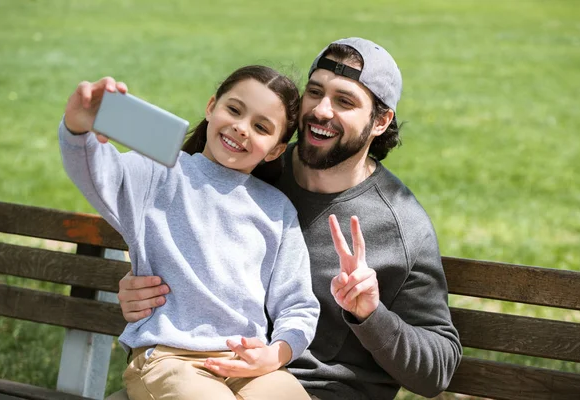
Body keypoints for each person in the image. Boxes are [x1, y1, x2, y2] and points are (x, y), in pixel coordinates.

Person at [113, 37, 463, 400]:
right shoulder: (254, 161)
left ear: (380, 121)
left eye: (344, 101)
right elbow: (168, 197)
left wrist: (371, 315)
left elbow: (436, 371)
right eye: (315, 91)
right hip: (204, 373)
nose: (322, 110)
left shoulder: (402, 226)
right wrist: (140, 284)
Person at [58, 66, 320, 400]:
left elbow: (298, 304)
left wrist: (277, 352)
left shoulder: (277, 210)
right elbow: (99, 174)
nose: (241, 128)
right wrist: (78, 127)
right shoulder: (160, 174)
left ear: (275, 150)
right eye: (234, 110)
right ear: (211, 107)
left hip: (247, 366)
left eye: (261, 127)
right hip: (169, 360)